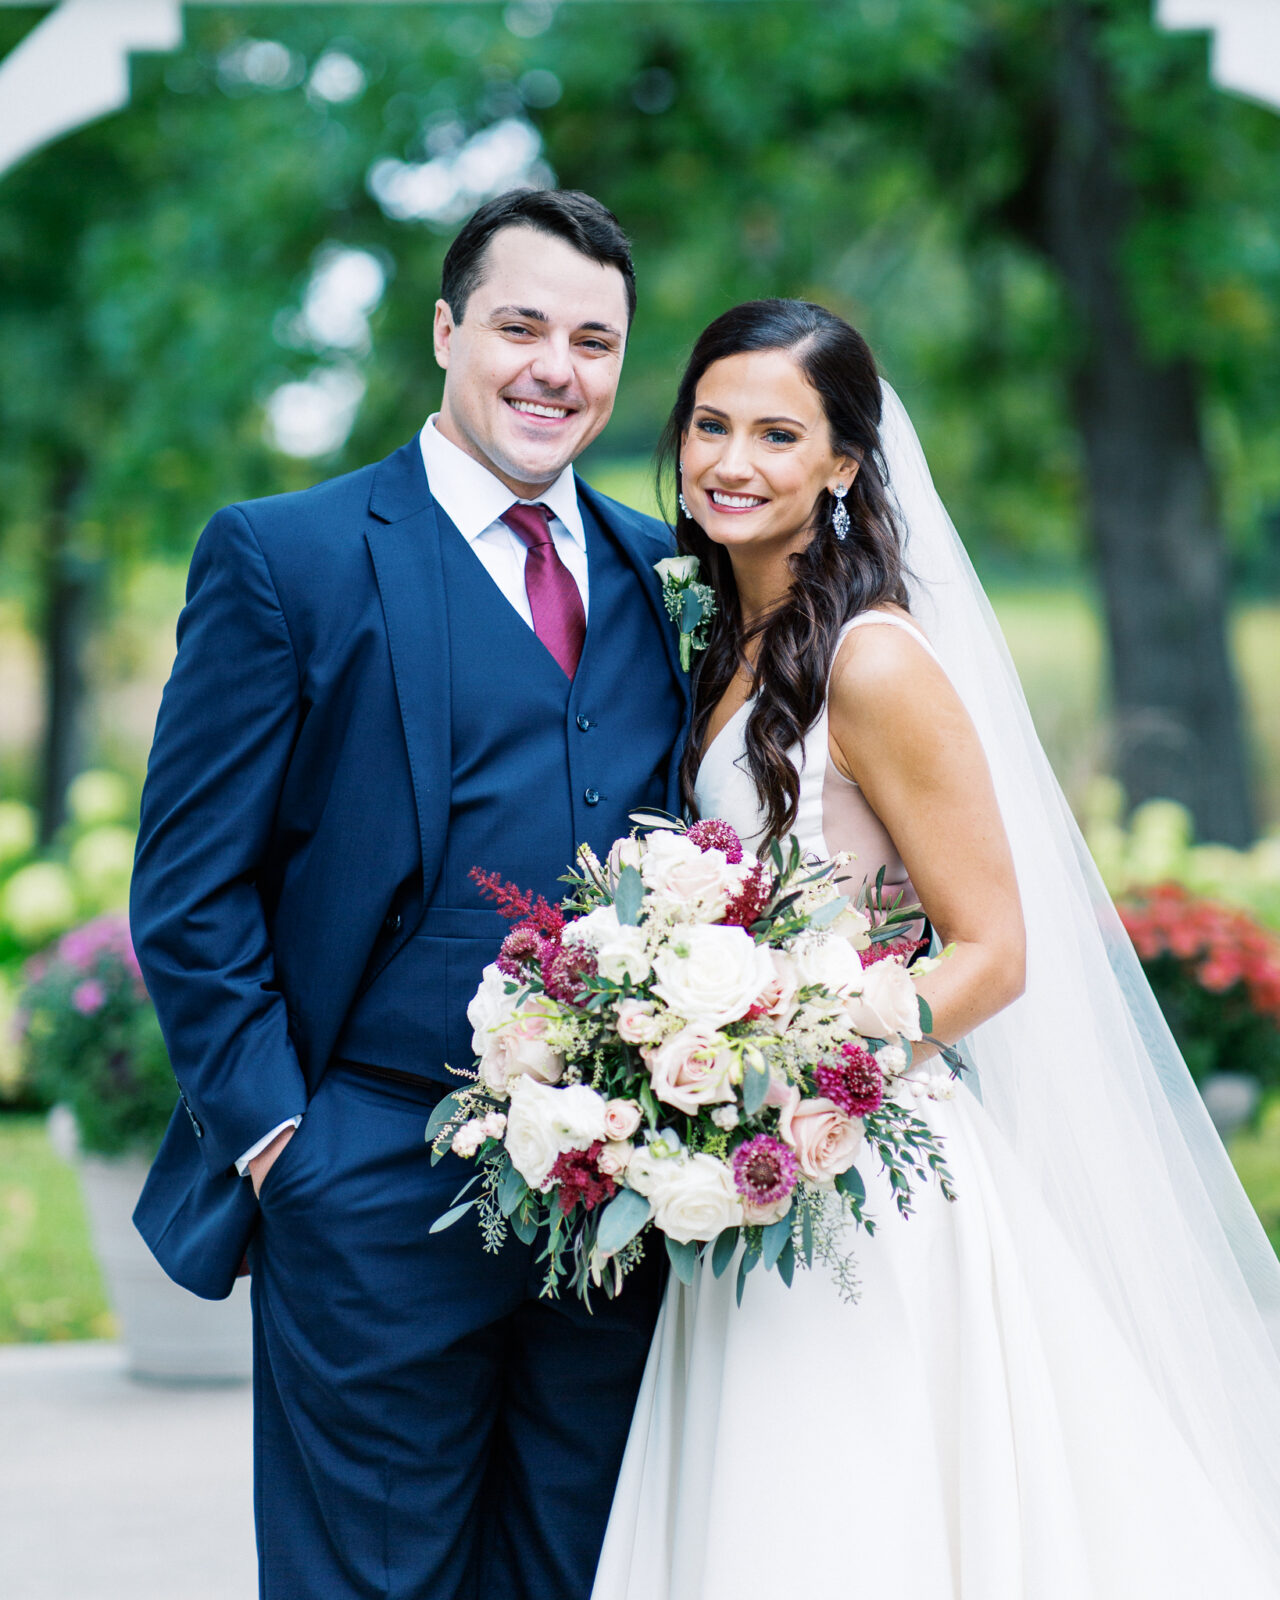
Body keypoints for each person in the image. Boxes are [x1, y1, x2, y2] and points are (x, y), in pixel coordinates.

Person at [591, 299, 1280, 1598]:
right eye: (710, 423)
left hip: (857, 1166)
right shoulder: (719, 643)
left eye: (777, 433)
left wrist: (798, 1051)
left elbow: (992, 952)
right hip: (737, 1158)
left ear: (844, 463)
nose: (731, 461)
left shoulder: (877, 660)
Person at [129, 189, 688, 1600]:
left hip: (610, 1204)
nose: (556, 367)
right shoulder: (286, 556)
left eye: (595, 340)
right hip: (366, 1171)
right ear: (446, 332)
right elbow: (190, 891)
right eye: (521, 325)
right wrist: (280, 1147)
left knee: (577, 1571)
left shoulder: (663, 574)